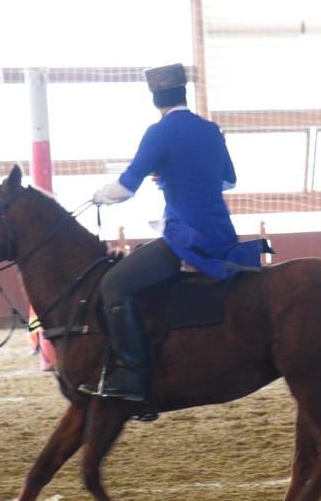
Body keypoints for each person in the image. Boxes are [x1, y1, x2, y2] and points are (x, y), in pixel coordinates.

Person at [83, 63, 252, 404]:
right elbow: (229, 180)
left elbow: (126, 187)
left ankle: (130, 374)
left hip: (186, 239)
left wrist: (98, 196)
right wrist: (175, 174)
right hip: (222, 236)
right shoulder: (211, 130)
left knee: (114, 284)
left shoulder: (159, 132)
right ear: (183, 93)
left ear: (155, 98)